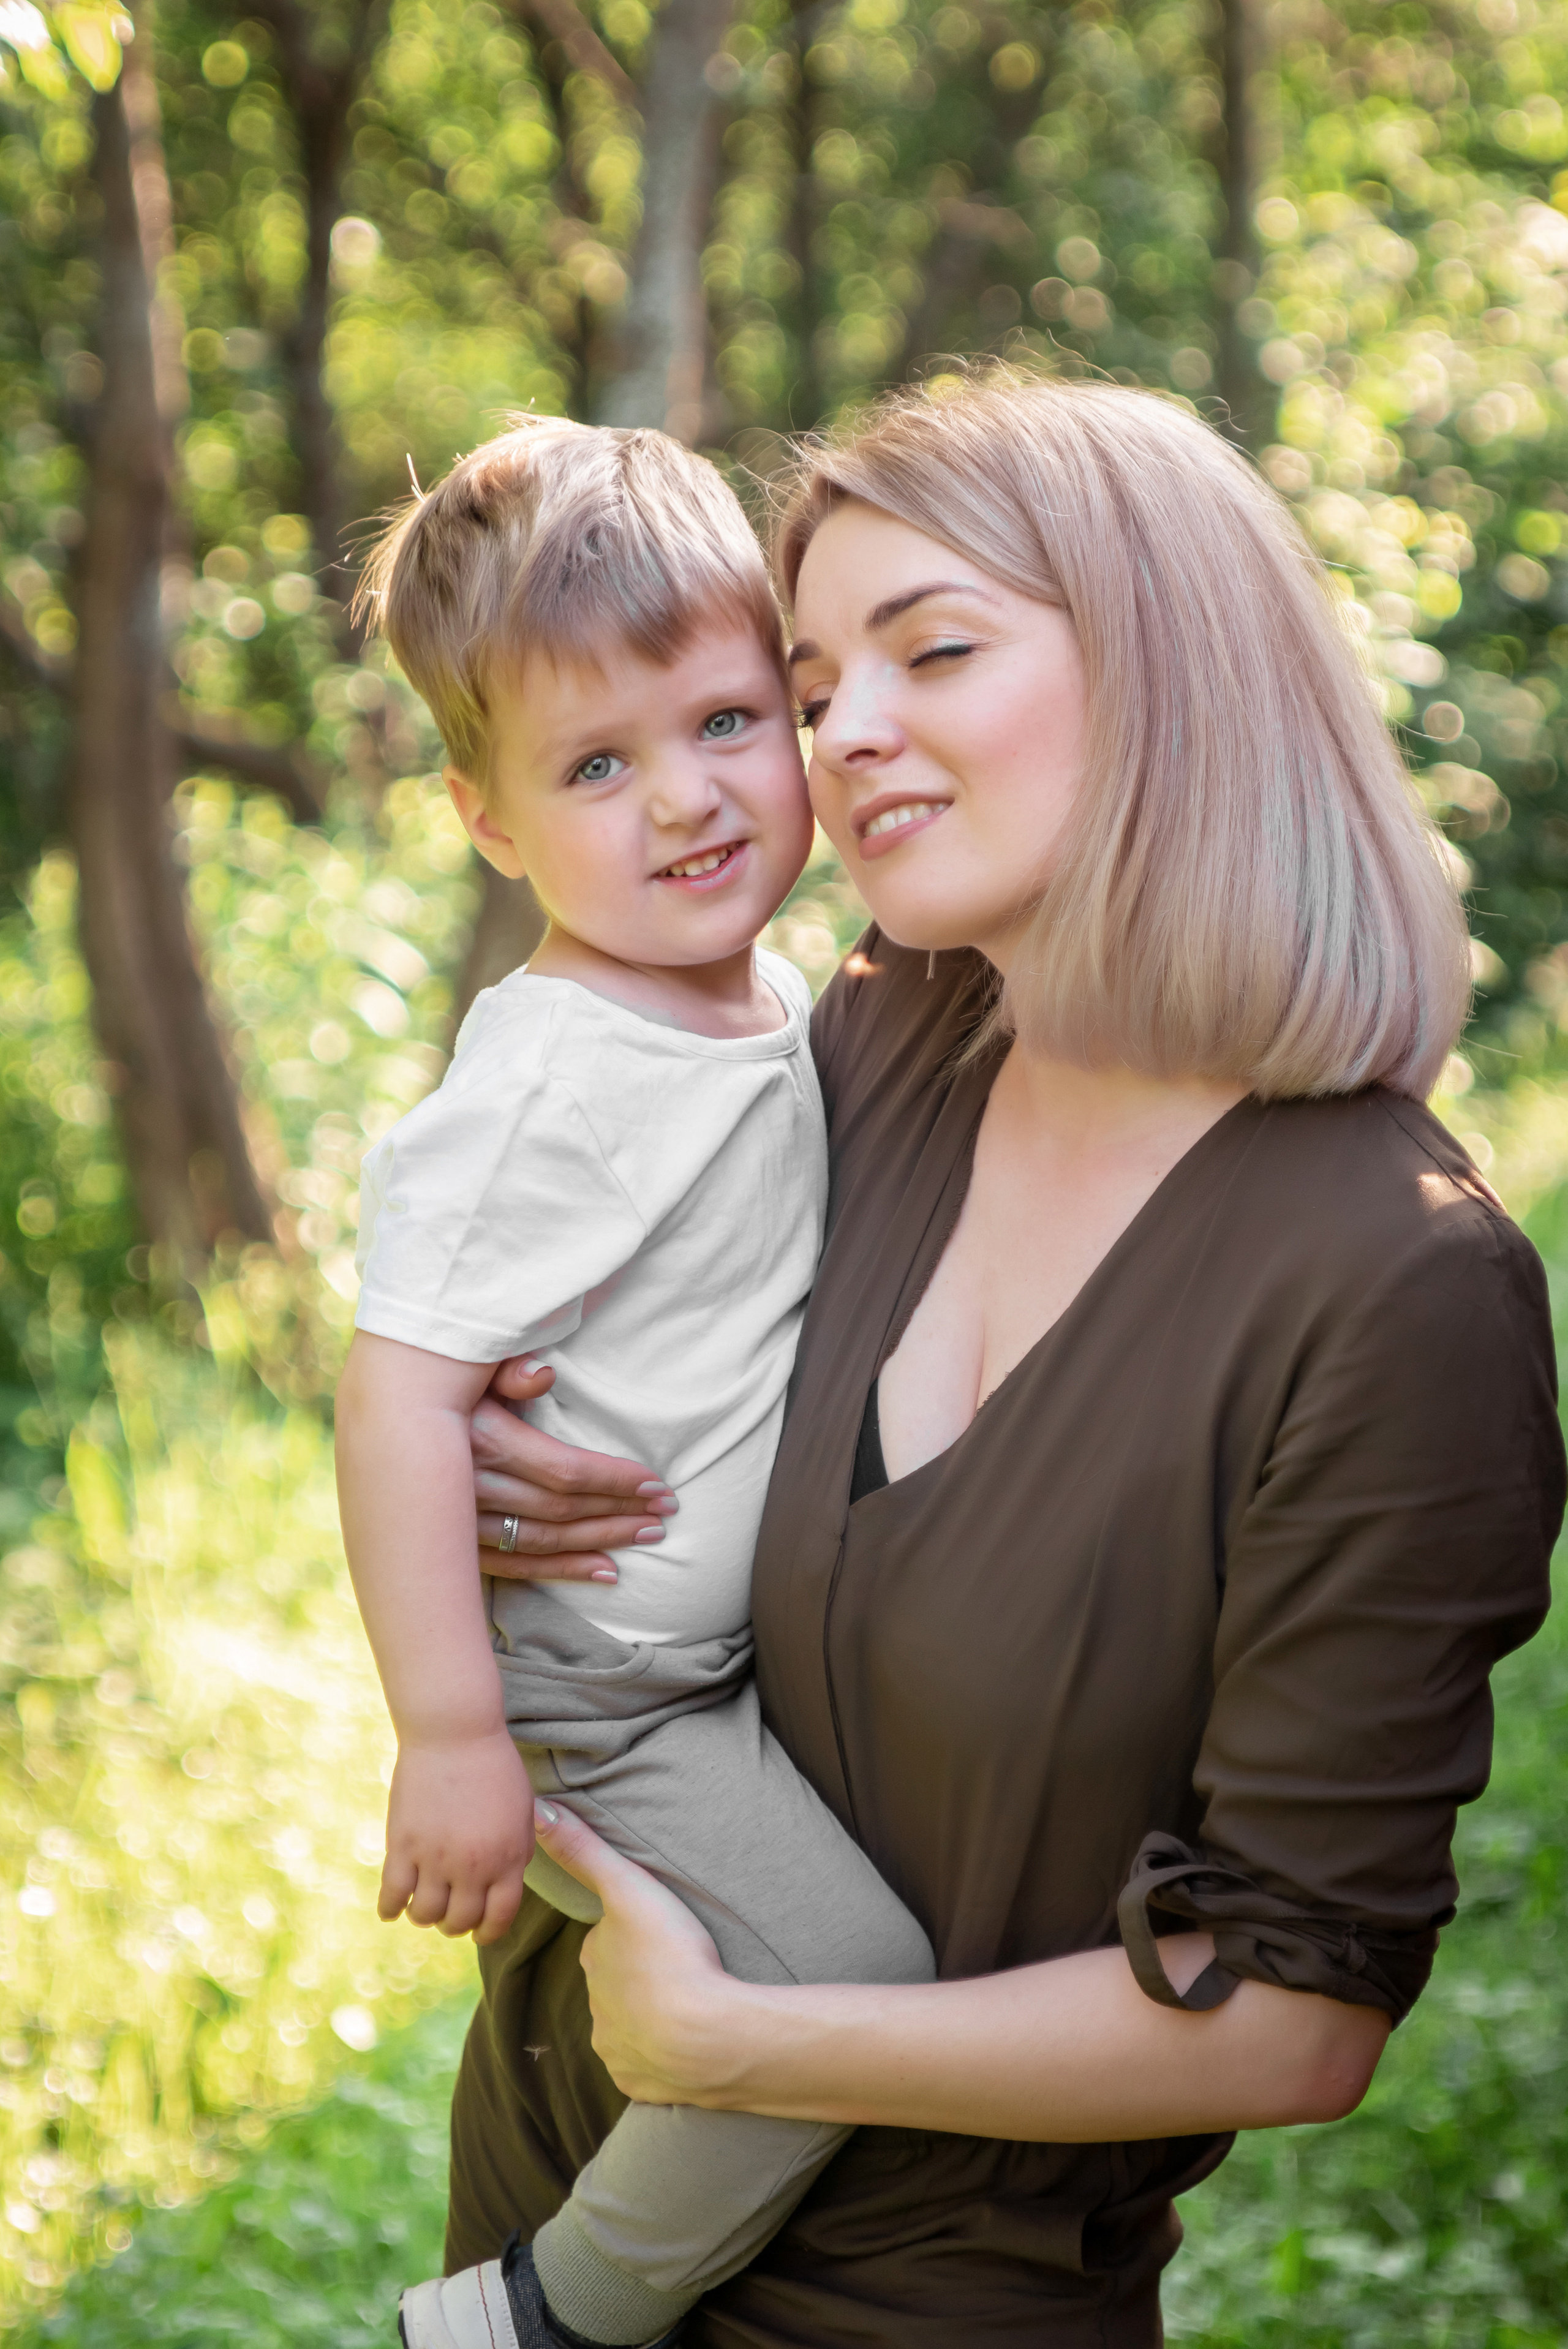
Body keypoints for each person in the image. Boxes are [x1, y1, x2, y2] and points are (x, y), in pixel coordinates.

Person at [435, 373, 1566, 2348]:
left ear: (1173, 668)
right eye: (809, 681)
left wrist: (757, 2041)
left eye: (931, 649)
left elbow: (1294, 2012)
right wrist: (488, 1452)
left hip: (923, 2310)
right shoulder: (875, 1051)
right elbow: (495, 1273)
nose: (841, 729)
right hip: (525, 2189)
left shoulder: (1393, 1287)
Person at [334, 416, 934, 2349]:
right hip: (590, 1699)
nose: (686, 801)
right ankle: (543, 2318)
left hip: (692, 1669)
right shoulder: (554, 1078)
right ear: (489, 821)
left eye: (727, 724)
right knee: (853, 1975)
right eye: (599, 766)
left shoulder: (768, 991)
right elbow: (400, 1391)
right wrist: (450, 1733)